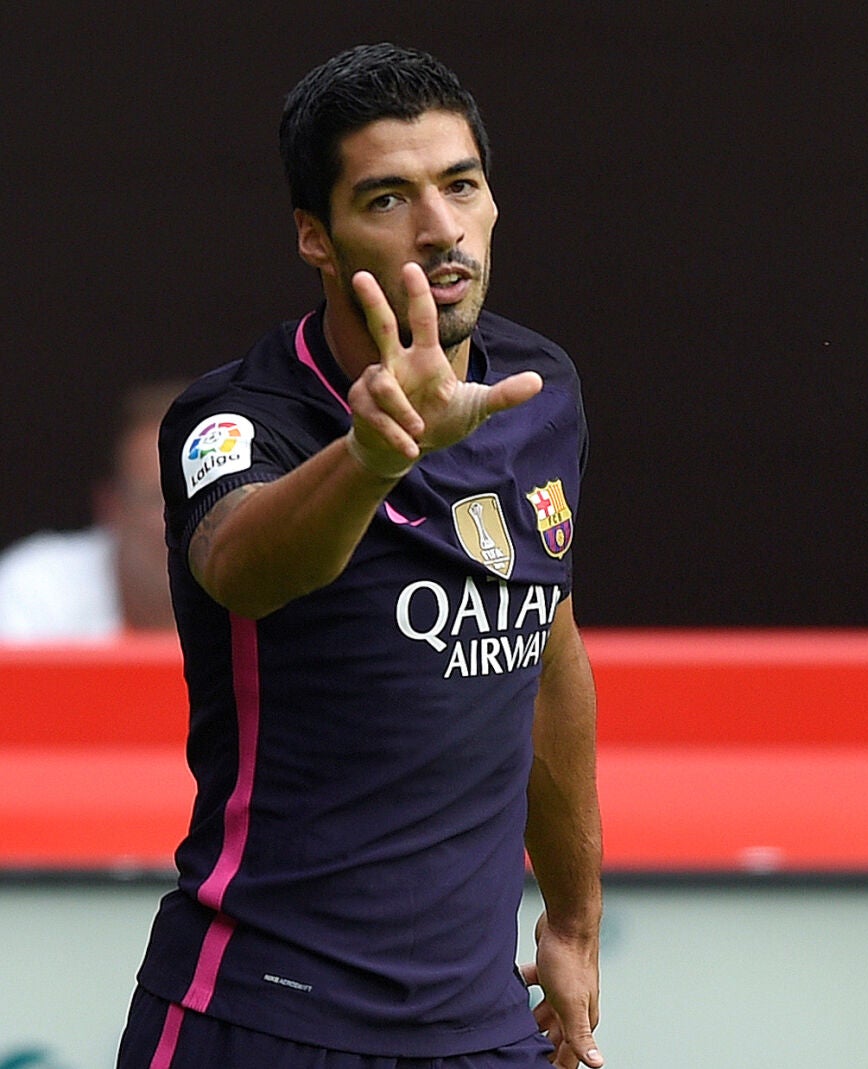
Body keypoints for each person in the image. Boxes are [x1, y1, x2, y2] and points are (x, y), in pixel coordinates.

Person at [116, 44, 605, 1069]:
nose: (440, 229)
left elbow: (544, 652)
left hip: (480, 1030)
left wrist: (570, 922)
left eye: (460, 185)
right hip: (259, 1016)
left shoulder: (539, 387)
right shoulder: (240, 418)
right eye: (387, 198)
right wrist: (374, 454)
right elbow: (244, 565)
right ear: (315, 236)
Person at [0, 381, 181, 643]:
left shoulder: (261, 592)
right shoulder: (36, 589)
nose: (191, 521)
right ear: (112, 508)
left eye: (211, 499)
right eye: (161, 499)